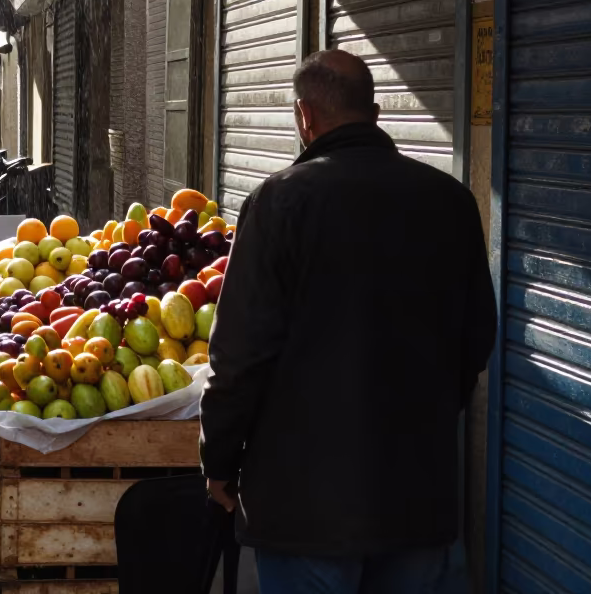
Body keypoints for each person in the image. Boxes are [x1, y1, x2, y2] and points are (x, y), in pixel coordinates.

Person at [199, 50, 497, 594]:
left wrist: (219, 458)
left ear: (303, 116)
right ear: (376, 112)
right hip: (417, 500)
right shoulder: (451, 202)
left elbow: (240, 354)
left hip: (303, 511)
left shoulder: (279, 201)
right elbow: (477, 336)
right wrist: (421, 421)